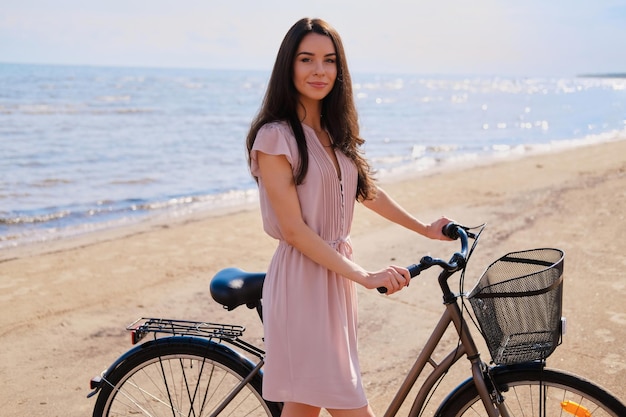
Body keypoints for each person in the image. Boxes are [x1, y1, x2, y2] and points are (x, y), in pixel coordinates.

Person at [246, 17, 453, 417]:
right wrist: (364, 275)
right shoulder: (275, 137)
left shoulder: (332, 131)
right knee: (349, 405)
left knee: (304, 406)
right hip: (302, 283)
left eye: (329, 60)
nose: (319, 70)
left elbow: (366, 191)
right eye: (307, 59)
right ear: (289, 66)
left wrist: (425, 229)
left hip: (333, 281)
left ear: (340, 70)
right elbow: (293, 230)